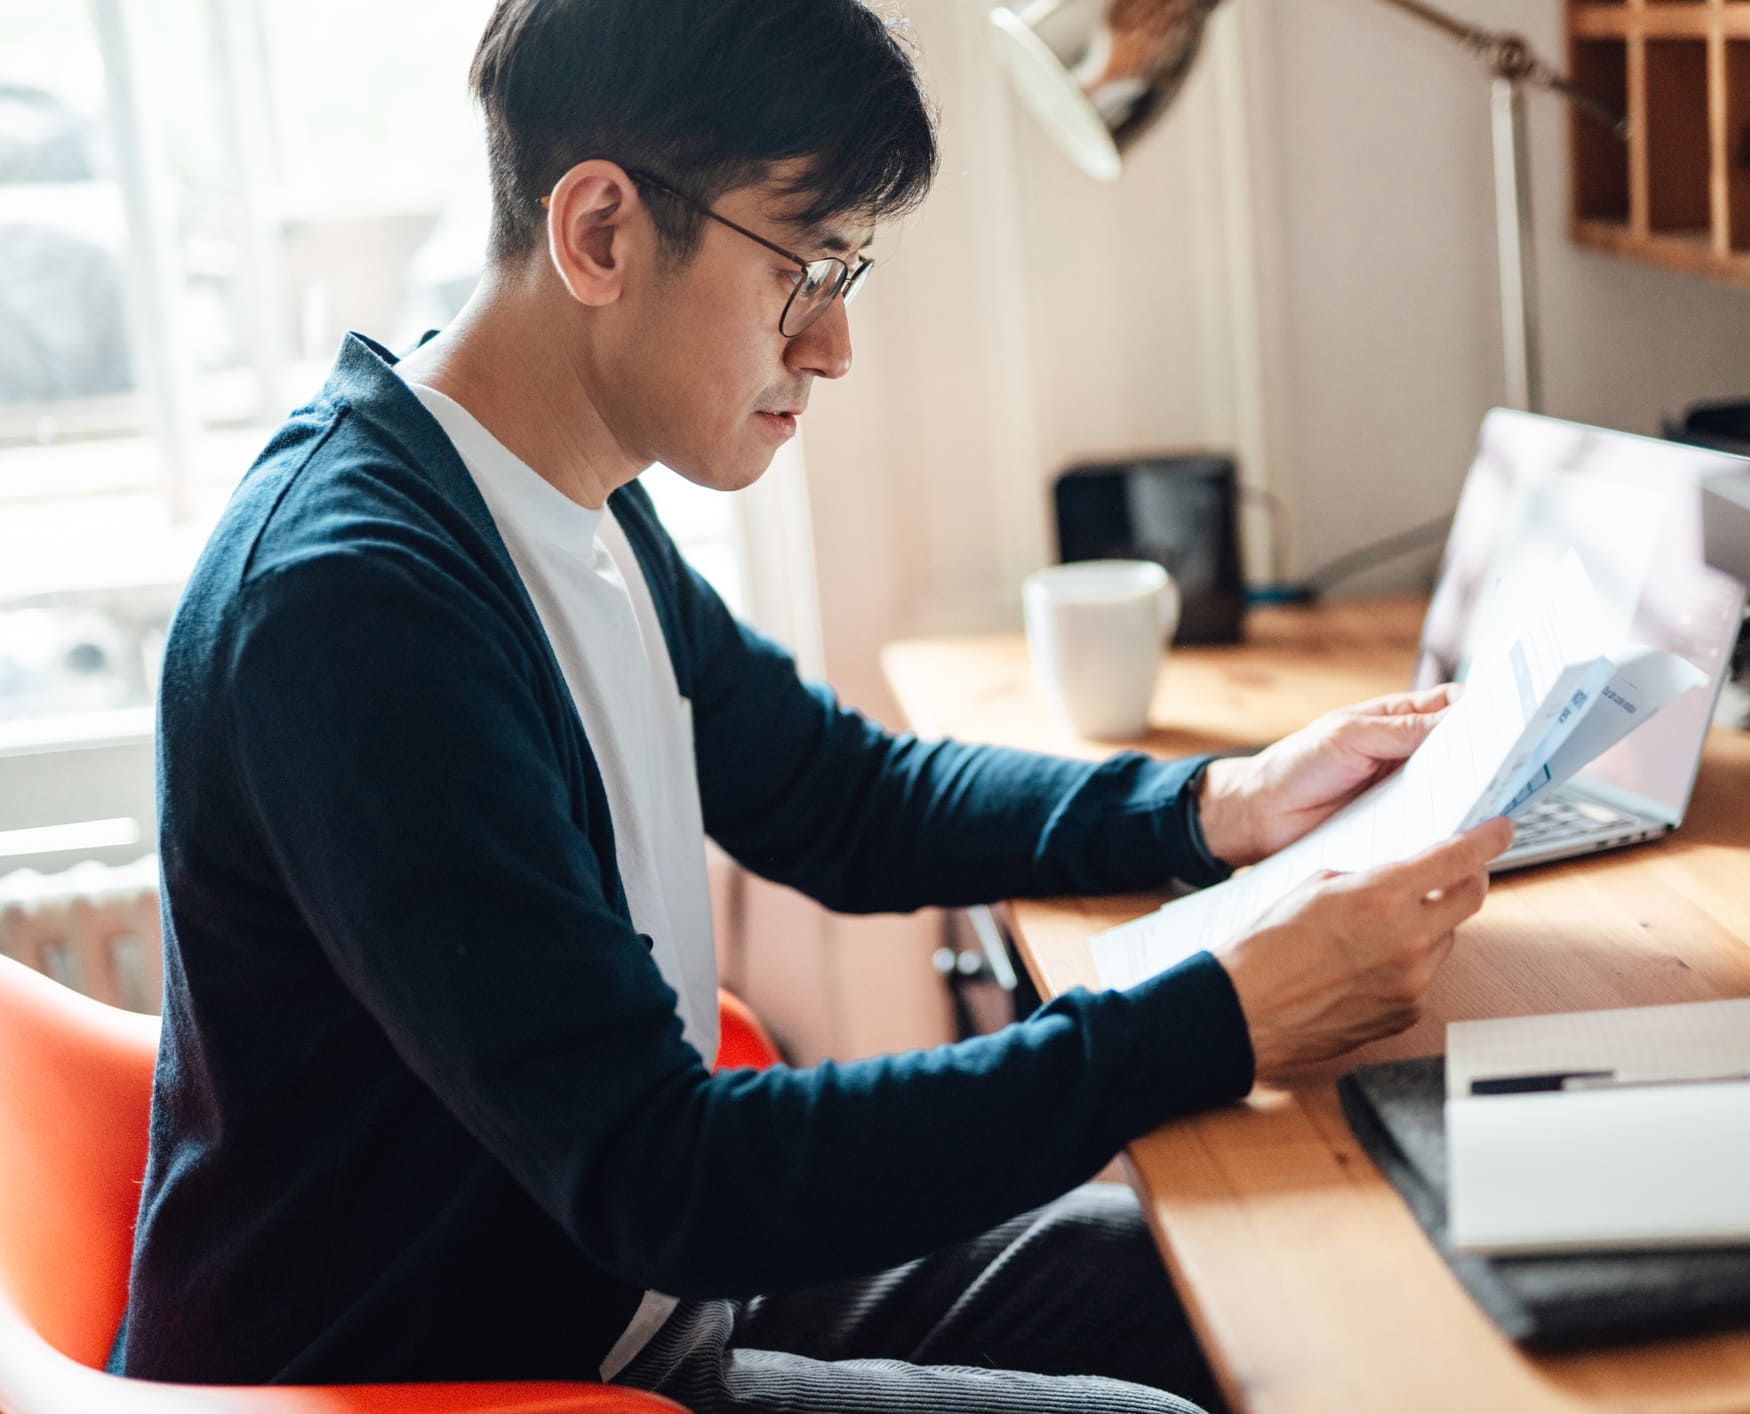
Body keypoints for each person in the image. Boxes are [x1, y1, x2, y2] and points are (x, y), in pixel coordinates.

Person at [110, 3, 1512, 1411]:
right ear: (598, 233)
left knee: (1204, 1276)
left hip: (604, 1280)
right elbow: (671, 1175)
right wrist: (1220, 1015)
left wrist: (1216, 803)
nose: (834, 343)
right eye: (805, 267)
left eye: (850, 268)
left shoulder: (557, 496)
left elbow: (842, 799)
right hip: (458, 1365)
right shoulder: (357, 611)